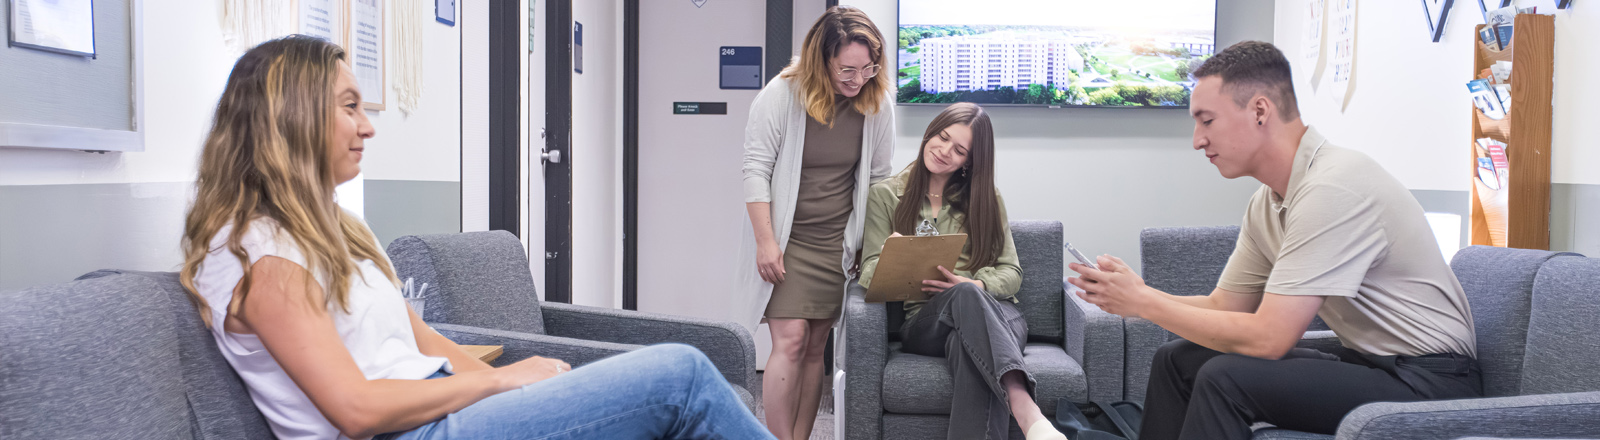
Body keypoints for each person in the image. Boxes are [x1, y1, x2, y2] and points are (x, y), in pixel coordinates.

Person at [178, 35, 771, 440]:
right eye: (350, 106)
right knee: (680, 377)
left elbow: (423, 338)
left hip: (435, 410)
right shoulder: (265, 261)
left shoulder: (333, 230)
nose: (367, 126)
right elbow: (354, 410)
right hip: (409, 432)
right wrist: (500, 379)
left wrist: (503, 392)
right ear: (294, 116)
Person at [1068, 41, 1481, 440]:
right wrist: (1139, 295)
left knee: (1223, 378)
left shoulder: (1333, 187)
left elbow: (1269, 338)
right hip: (1371, 363)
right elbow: (1224, 308)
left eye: (1206, 120)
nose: (1197, 140)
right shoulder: (1269, 203)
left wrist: (1144, 304)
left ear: (1260, 111)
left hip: (1428, 385)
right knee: (1178, 360)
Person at [859, 103, 1068, 440]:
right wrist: (892, 257)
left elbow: (1011, 272)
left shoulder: (987, 198)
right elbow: (867, 272)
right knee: (964, 298)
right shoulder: (886, 195)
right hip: (927, 321)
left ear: (969, 161)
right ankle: (1027, 410)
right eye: (941, 138)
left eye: (959, 150)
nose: (944, 151)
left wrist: (976, 283)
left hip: (1000, 316)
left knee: (965, 334)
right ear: (930, 132)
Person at [735, 6, 896, 439]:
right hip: (788, 239)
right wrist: (765, 242)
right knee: (788, 341)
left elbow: (880, 180)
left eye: (868, 67)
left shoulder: (876, 102)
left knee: (815, 349)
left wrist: (870, 245)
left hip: (837, 242)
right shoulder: (781, 94)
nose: (857, 78)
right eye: (847, 68)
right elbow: (755, 169)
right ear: (821, 59)